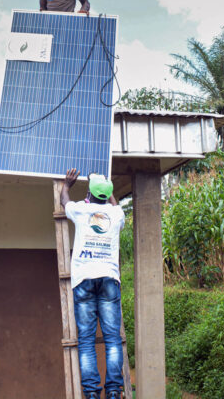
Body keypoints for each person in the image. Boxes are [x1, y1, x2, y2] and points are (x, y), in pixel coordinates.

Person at [61, 168, 125, 399]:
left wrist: (67, 185)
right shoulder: (116, 214)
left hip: (84, 280)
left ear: (89, 193)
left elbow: (64, 201)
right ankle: (115, 391)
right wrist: (109, 193)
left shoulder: (81, 209)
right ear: (107, 194)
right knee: (112, 339)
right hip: (109, 279)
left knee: (86, 340)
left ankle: (90, 394)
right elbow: (115, 205)